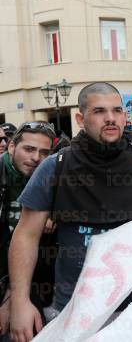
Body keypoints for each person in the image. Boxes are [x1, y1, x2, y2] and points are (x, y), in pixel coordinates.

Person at [8, 83, 132, 341]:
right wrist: (19, 301)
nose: (110, 118)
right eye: (99, 111)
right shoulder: (54, 166)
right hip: (72, 310)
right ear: (81, 119)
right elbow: (26, 235)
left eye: (117, 110)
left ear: (125, 116)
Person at [0, 122, 55, 338]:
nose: (36, 158)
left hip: (34, 285)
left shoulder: (52, 180)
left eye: (44, 152)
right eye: (29, 149)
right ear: (12, 146)